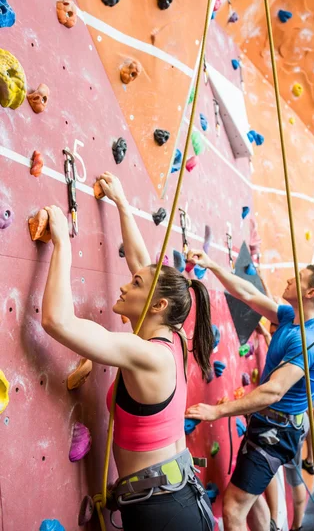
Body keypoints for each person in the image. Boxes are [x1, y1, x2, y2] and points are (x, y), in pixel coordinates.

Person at [41, 172, 214, 531]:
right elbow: (143, 264)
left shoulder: (146, 354)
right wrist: (121, 203)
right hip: (172, 499)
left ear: (157, 304)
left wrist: (62, 245)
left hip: (164, 512)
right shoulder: (174, 335)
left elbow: (57, 321)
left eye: (135, 284)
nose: (126, 283)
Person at [185, 249, 314, 531]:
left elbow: (273, 392)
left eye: (298, 278)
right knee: (252, 502)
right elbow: (249, 295)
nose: (290, 279)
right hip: (269, 426)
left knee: (233, 508)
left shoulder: (308, 340)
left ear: (311, 292)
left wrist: (216, 411)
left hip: (275, 433)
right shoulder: (291, 317)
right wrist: (213, 265)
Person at [257, 321, 309, 531]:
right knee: (287, 473)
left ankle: (285, 523)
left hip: (286, 423)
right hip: (296, 421)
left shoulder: (299, 348)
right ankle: (293, 524)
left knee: (274, 467)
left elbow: (276, 389)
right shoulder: (297, 345)